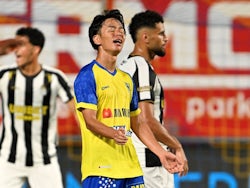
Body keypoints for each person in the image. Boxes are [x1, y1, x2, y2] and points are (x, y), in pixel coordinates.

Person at [74, 9, 182, 188]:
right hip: (102, 168)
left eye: (122, 30)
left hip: (131, 169)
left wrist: (160, 152)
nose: (119, 33)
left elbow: (138, 123)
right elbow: (90, 121)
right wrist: (113, 133)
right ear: (97, 39)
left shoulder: (125, 79)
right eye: (112, 29)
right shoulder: (87, 75)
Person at [119, 10, 189, 188]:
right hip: (148, 161)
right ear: (145, 37)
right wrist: (176, 145)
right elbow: (146, 119)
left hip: (134, 158)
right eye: (161, 33)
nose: (166, 38)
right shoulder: (140, 68)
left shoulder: (126, 67)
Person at [0, 27, 75, 188]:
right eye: (14, 45)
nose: (15, 50)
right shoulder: (5, 75)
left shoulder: (54, 78)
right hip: (8, 161)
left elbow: (77, 110)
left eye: (21, 45)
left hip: (44, 162)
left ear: (35, 49)